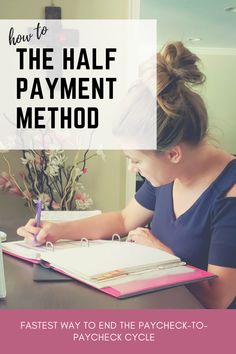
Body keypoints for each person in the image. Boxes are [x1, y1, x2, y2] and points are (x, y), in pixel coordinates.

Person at [17, 42, 236, 309]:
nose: (133, 168)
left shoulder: (229, 194)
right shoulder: (167, 175)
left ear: (173, 154)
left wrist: (162, 255)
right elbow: (123, 219)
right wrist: (57, 231)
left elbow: (217, 300)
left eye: (136, 160)